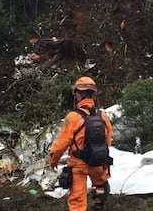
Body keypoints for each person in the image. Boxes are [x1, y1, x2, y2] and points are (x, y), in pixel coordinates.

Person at [49, 77, 113, 211]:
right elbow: (108, 139)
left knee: (77, 201)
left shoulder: (72, 117)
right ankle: (99, 205)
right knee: (101, 186)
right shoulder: (103, 115)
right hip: (98, 162)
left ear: (78, 94)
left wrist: (53, 160)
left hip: (79, 164)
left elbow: (61, 144)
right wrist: (101, 156)